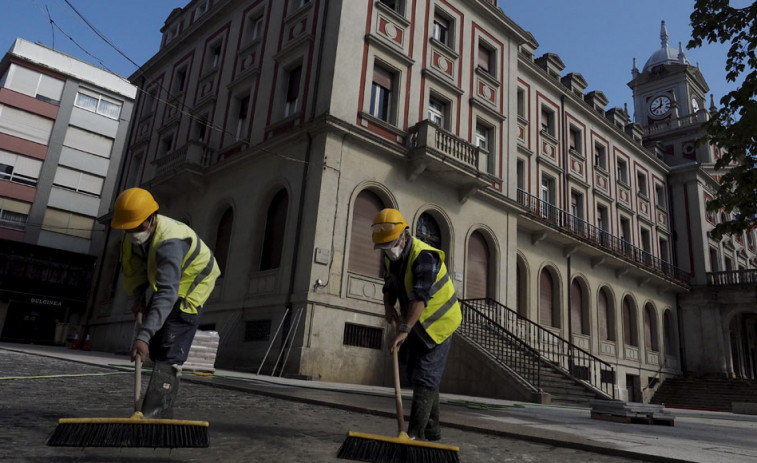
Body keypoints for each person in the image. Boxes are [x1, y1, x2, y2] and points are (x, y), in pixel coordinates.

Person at [110, 187, 220, 418]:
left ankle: (157, 415)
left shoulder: (170, 242)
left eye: (137, 226)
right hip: (169, 285)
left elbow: (168, 292)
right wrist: (139, 297)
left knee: (170, 348)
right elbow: (134, 270)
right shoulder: (132, 237)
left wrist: (142, 336)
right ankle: (149, 408)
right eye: (128, 228)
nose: (132, 231)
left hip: (192, 285)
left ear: (151, 219)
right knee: (157, 345)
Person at [371, 208, 461, 441]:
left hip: (439, 323)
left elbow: (420, 297)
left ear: (403, 237)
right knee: (415, 372)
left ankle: (414, 434)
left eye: (389, 245)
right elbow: (389, 285)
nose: (386, 251)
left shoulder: (424, 256)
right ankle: (432, 431)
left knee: (426, 375)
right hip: (417, 324)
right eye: (383, 248)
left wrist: (403, 329)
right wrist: (388, 306)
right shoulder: (393, 258)